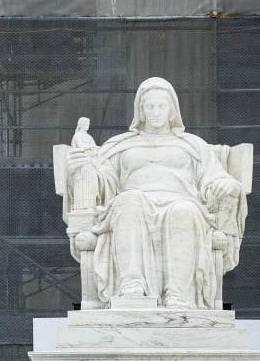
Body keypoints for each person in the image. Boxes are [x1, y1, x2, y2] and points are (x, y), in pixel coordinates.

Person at [67, 77, 247, 309]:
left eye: (161, 106)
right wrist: (78, 168)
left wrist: (229, 185)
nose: (155, 112)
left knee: (183, 210)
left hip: (181, 201)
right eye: (149, 106)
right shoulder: (120, 145)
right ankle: (131, 283)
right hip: (133, 199)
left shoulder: (193, 145)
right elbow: (102, 185)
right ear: (140, 110)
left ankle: (178, 293)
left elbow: (215, 178)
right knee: (127, 202)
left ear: (172, 110)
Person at [70, 117, 98, 210]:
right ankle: (82, 206)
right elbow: (82, 147)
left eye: (88, 124)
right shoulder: (77, 136)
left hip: (91, 163)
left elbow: (94, 147)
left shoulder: (89, 136)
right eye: (86, 124)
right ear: (82, 124)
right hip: (82, 163)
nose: (88, 125)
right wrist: (91, 147)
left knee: (91, 184)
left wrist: (94, 148)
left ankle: (90, 205)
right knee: (83, 185)